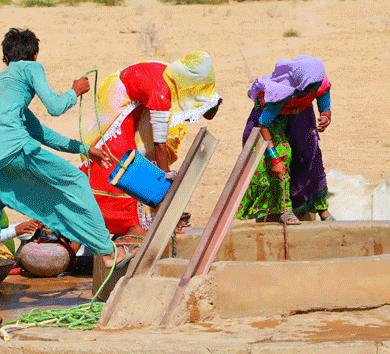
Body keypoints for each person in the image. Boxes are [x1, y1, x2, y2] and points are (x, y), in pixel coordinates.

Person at [0, 28, 123, 325]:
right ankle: (106, 250)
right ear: (35, 55)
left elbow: (42, 133)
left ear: (4, 58)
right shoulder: (31, 67)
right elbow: (55, 106)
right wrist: (75, 91)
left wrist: (86, 149)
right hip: (14, 150)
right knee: (74, 181)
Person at [79, 51, 222, 237]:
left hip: (140, 99)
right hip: (118, 94)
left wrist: (212, 101)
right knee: (119, 157)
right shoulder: (161, 93)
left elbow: (209, 113)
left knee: (147, 160)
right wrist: (166, 184)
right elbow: (159, 144)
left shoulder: (178, 80)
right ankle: (128, 221)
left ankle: (147, 215)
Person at [235, 55, 332, 225]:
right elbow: (263, 126)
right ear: (301, 84)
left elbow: (325, 104)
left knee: (309, 150)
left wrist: (326, 117)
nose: (312, 91)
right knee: (283, 153)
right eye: (308, 88)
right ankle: (284, 209)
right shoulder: (282, 92)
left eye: (314, 88)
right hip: (272, 117)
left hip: (298, 109)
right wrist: (274, 158)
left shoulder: (317, 84)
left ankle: (321, 206)